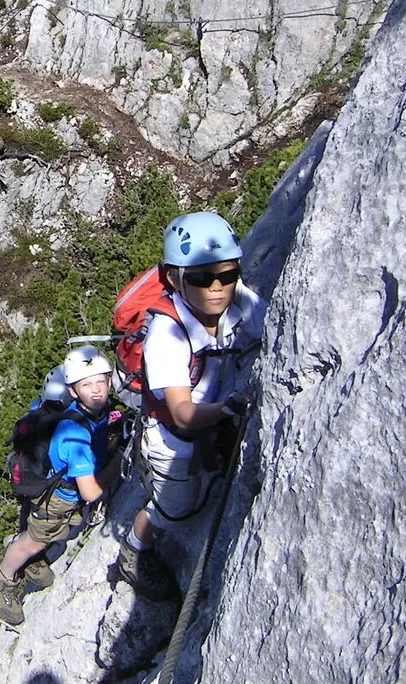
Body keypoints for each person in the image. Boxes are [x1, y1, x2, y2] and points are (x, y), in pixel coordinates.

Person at [117, 212, 267, 600]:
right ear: (173, 279)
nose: (216, 288)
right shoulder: (166, 333)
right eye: (200, 278)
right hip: (175, 436)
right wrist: (230, 409)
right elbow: (182, 412)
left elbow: (269, 324)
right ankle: (133, 551)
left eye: (228, 275)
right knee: (174, 509)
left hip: (216, 412)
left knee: (212, 478)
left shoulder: (236, 297)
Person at [0, 346, 121, 626]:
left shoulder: (94, 409)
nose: (96, 390)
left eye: (101, 381)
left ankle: (29, 555)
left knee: (50, 535)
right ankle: (1, 578)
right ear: (72, 391)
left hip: (63, 490)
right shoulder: (73, 436)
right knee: (34, 541)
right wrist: (121, 461)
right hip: (59, 499)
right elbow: (91, 492)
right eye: (87, 384)